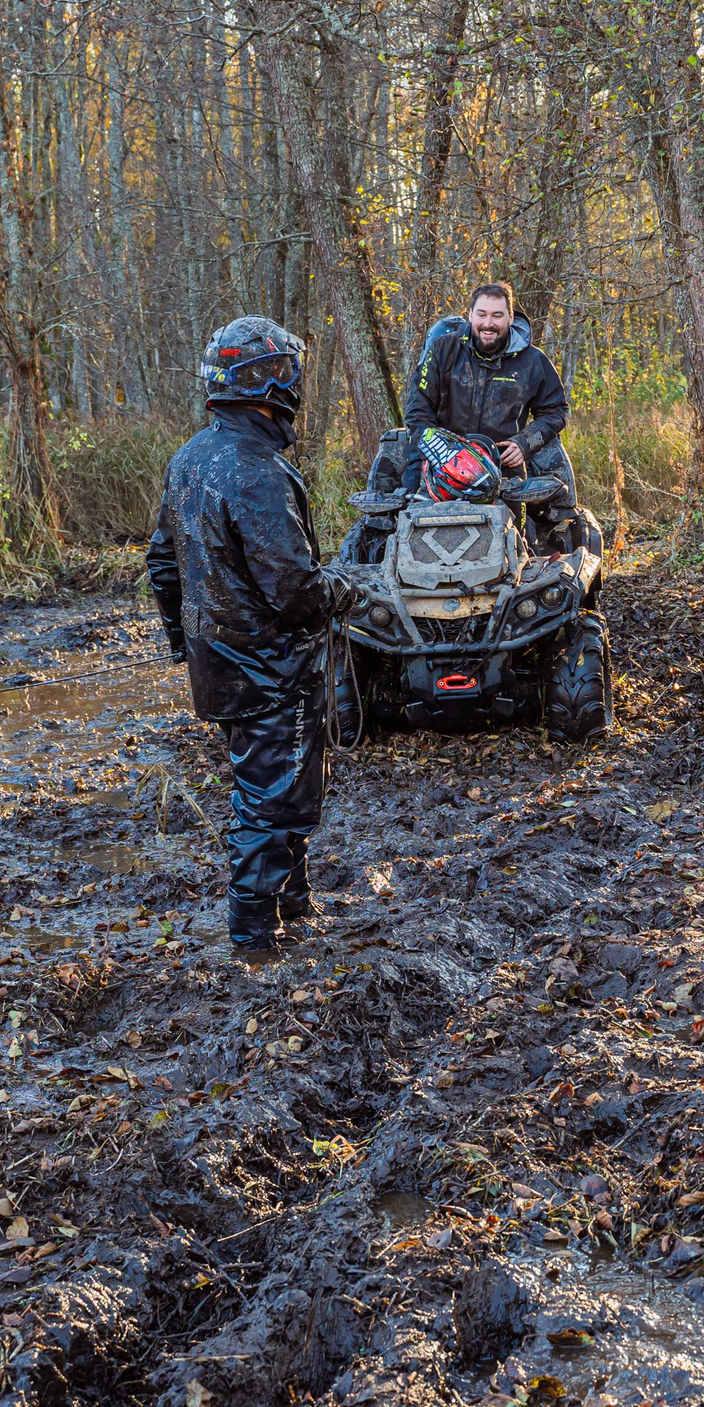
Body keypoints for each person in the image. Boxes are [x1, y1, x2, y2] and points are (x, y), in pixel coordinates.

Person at [146, 316, 361, 950]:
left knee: (281, 787)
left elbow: (162, 562)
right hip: (271, 668)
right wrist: (344, 588)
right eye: (284, 372)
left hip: (225, 663)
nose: (293, 382)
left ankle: (292, 903)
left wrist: (186, 640)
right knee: (271, 801)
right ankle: (254, 934)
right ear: (267, 386)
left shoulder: (191, 458)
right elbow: (294, 591)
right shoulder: (256, 471)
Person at [388, 282, 584, 549]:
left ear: (510, 317)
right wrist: (436, 445)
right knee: (420, 541)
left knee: (515, 546)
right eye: (482, 314)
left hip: (504, 471)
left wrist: (524, 443)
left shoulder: (532, 361)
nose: (488, 323)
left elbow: (555, 411)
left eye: (497, 315)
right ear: (470, 315)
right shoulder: (442, 350)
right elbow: (417, 409)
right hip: (441, 467)